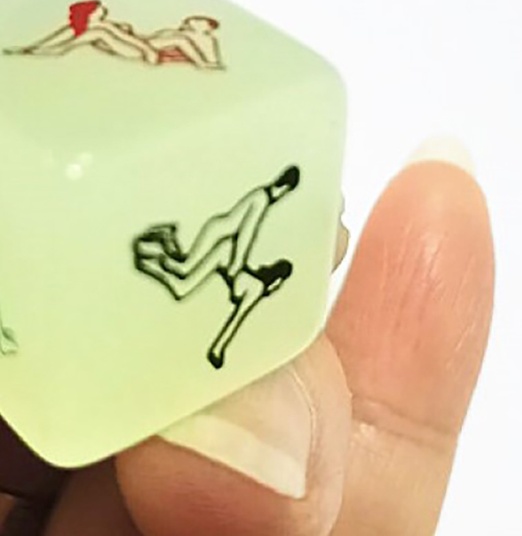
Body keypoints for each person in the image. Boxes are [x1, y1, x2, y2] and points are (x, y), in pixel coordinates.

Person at [0, 140, 495, 536]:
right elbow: (228, 249)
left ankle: (155, 256)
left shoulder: (247, 255)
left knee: (188, 289)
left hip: (192, 281)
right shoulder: (248, 220)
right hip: (205, 255)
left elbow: (214, 295)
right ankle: (153, 256)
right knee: (187, 285)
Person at [132, 165, 300, 367]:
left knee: (182, 281)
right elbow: (246, 234)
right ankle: (159, 246)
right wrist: (237, 264)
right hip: (219, 234)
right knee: (183, 268)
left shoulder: (255, 285)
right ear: (285, 188)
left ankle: (156, 255)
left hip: (223, 243)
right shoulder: (262, 199)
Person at [3, 0, 224, 69]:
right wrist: (32, 46)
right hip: (138, 47)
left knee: (101, 30)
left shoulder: (204, 38)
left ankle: (53, 51)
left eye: (198, 22)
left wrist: (146, 48)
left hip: (142, 50)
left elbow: (208, 58)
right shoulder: (92, 26)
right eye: (99, 9)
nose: (103, 9)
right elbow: (61, 32)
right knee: (97, 30)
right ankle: (40, 50)